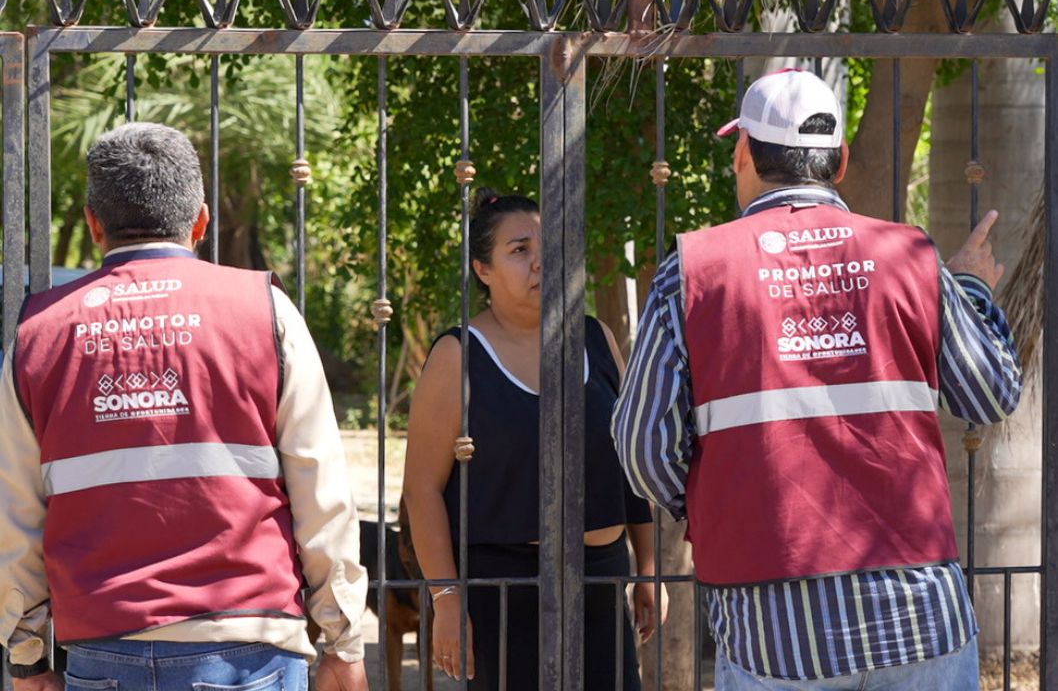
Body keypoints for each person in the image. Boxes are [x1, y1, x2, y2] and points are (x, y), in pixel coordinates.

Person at [613, 69, 1023, 690]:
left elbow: (643, 446)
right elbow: (992, 394)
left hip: (772, 628)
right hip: (917, 619)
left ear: (744, 152)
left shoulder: (694, 272)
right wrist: (967, 288)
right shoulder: (910, 257)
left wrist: (711, 497)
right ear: (840, 160)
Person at [0, 123, 369, 691]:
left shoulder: (39, 335)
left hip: (103, 649)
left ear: (94, 223)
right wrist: (342, 640)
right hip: (248, 649)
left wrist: (26, 658)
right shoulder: (264, 314)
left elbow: (15, 513)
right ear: (201, 220)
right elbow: (322, 489)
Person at [403, 188, 668, 690]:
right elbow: (422, 490)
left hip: (602, 581)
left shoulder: (597, 339)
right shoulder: (458, 356)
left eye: (547, 245)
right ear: (483, 270)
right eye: (519, 249)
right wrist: (446, 598)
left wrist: (649, 567)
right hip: (506, 591)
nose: (540, 261)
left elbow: (628, 464)